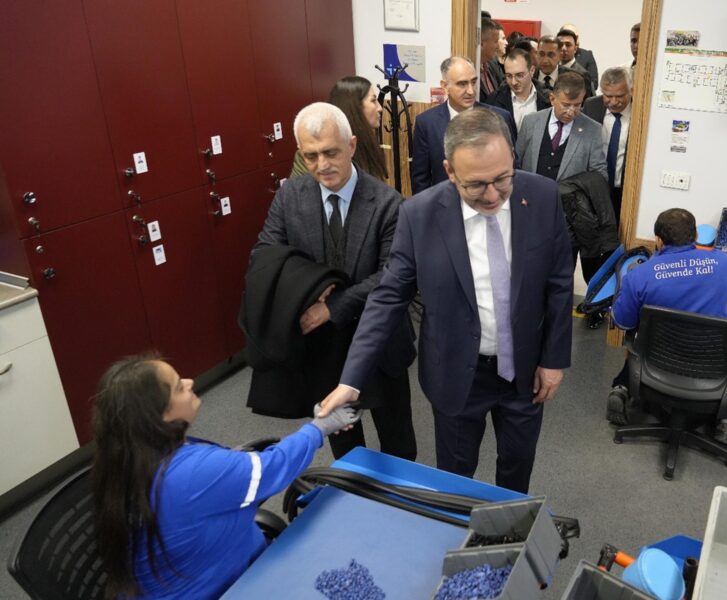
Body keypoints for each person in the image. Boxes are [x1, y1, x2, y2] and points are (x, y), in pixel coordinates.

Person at [319, 108, 573, 494]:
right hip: (456, 375)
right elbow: (388, 298)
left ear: (512, 158)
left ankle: (510, 526)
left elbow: (558, 282)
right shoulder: (418, 214)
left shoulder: (542, 196)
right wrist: (351, 381)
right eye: (476, 185)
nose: (493, 195)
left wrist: (553, 359)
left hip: (524, 371)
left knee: (517, 468)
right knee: (454, 476)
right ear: (450, 171)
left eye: (502, 178)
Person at [92, 355, 357, 599]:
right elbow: (274, 468)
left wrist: (230, 465)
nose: (190, 382)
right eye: (178, 386)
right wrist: (318, 428)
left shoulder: (129, 458)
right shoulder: (191, 472)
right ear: (160, 415)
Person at [251, 101, 417, 461]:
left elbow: (392, 277)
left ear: (352, 145)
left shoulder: (388, 203)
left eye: (330, 152)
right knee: (344, 443)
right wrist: (311, 285)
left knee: (398, 441)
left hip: (382, 344)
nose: (322, 165)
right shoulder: (290, 196)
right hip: (324, 348)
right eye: (311, 156)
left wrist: (332, 307)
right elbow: (264, 257)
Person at [607, 209, 727, 447]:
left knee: (640, 338)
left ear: (658, 240)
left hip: (658, 361)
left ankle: (622, 387)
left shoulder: (639, 276)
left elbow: (624, 323)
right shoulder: (724, 263)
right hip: (710, 364)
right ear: (695, 236)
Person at [516, 72, 612, 328]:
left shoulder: (592, 129)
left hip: (568, 221)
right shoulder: (531, 122)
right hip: (530, 214)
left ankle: (555, 322)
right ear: (552, 98)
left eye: (577, 105)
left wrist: (571, 189)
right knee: (529, 269)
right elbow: (517, 163)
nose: (572, 111)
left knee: (561, 274)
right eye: (566, 104)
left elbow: (599, 175)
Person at [410, 57, 517, 194]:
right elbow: (420, 180)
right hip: (446, 203)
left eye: (473, 82)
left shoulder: (500, 118)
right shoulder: (427, 123)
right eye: (462, 84)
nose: (471, 91)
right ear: (445, 86)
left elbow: (513, 167)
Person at [290, 76, 386, 180]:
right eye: (373, 100)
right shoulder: (310, 154)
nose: (380, 108)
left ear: (352, 145)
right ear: (355, 106)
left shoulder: (366, 144)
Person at [583, 66, 633, 224]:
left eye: (620, 96)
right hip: (594, 189)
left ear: (631, 90)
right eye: (608, 96)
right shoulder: (591, 107)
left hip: (624, 191)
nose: (614, 102)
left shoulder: (641, 111)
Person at [485, 47, 551, 132]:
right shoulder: (494, 101)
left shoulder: (549, 99)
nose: (514, 82)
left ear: (532, 71)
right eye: (509, 76)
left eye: (519, 75)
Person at [559, 23, 599, 91]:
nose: (564, 48)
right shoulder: (553, 62)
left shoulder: (587, 56)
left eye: (575, 36)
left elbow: (593, 84)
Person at [479, 18, 503, 102]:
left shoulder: (493, 65)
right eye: (496, 41)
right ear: (481, 43)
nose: (498, 46)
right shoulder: (469, 70)